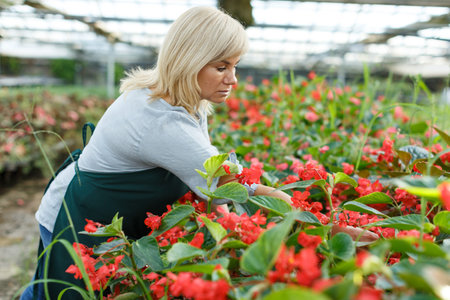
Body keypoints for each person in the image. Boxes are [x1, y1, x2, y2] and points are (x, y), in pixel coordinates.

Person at [20, 6, 376, 300]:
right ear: (189, 62)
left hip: (104, 216)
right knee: (57, 293)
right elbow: (233, 186)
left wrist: (229, 233)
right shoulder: (160, 120)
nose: (232, 79)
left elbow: (210, 181)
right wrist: (326, 227)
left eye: (234, 66)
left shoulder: (181, 99)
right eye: (221, 67)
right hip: (78, 220)